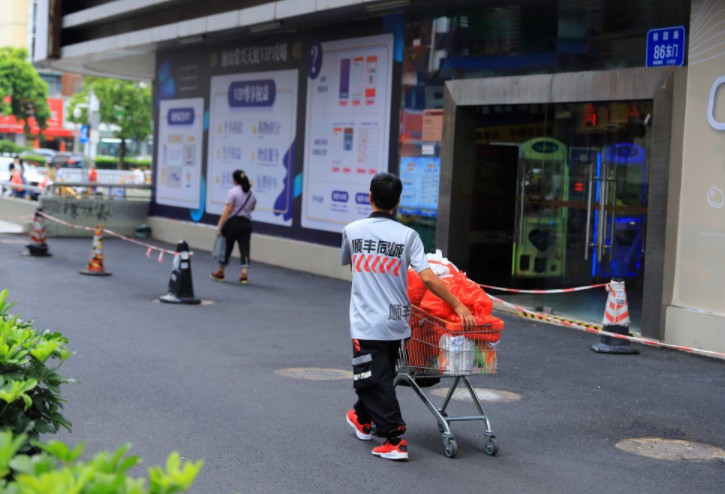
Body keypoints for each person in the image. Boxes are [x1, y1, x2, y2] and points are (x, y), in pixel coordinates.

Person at [340, 172, 476, 461]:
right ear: (399, 201)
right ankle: (361, 417)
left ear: (369, 197)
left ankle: (394, 439)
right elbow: (427, 278)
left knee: (371, 378)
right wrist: (458, 305)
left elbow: (352, 266)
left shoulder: (352, 230)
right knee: (381, 375)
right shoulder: (408, 236)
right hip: (398, 320)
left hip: (367, 320)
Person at [210, 170, 256, 284]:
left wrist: (220, 225)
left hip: (233, 223)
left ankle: (220, 272)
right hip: (246, 224)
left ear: (235, 180)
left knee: (227, 247)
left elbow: (228, 210)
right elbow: (252, 207)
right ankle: (244, 275)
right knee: (245, 248)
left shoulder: (233, 192)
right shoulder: (251, 193)